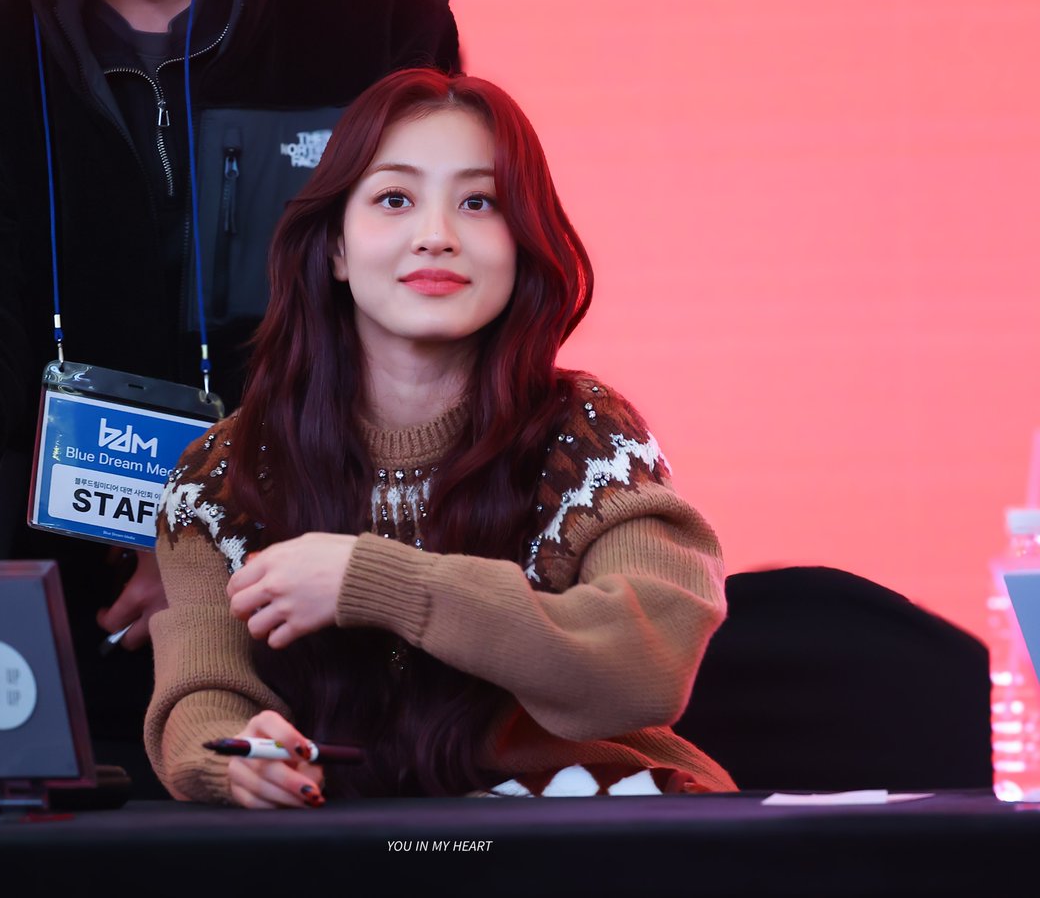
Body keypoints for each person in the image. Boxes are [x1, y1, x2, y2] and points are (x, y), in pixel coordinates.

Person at [0, 0, 460, 798]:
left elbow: (430, 319)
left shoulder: (374, 21)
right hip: (61, 651)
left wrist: (212, 542)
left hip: (339, 643)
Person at [145, 67, 736, 806]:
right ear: (334, 248)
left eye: (478, 202)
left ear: (521, 244)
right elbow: (201, 695)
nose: (436, 237)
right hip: (359, 838)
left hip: (591, 822)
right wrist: (236, 760)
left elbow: (646, 668)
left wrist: (374, 581)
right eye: (395, 199)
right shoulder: (220, 475)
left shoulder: (588, 435)